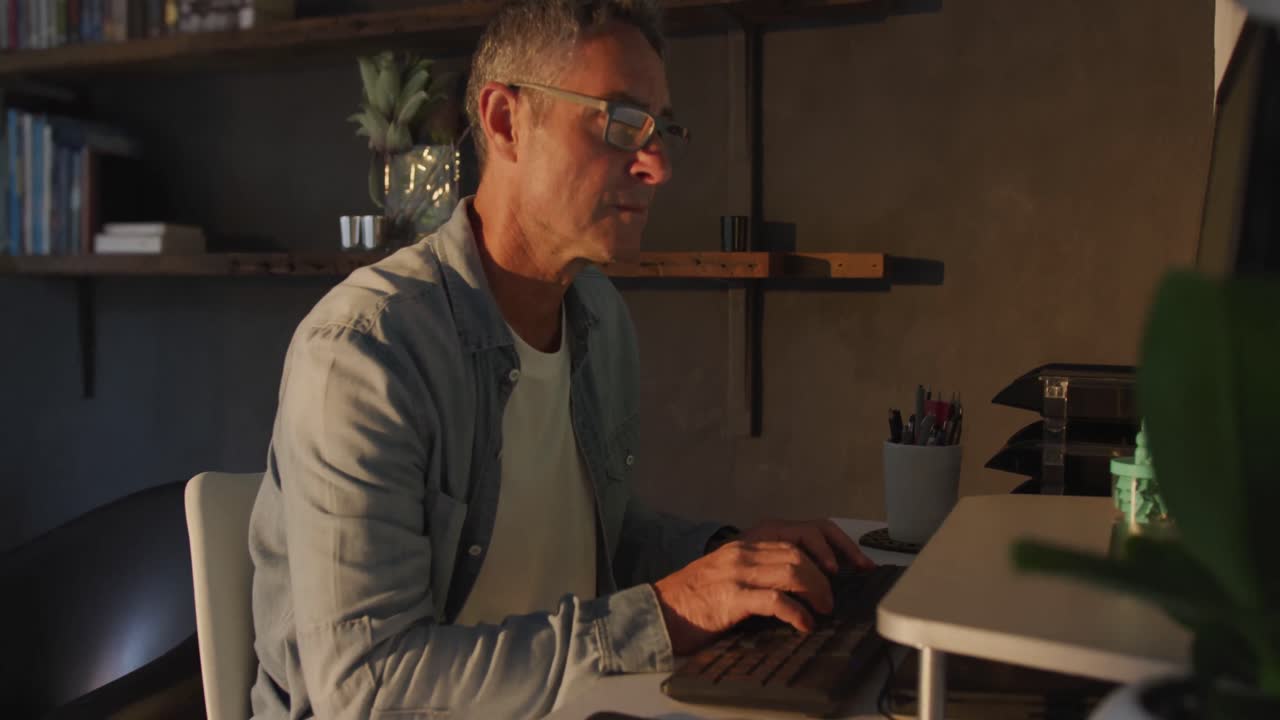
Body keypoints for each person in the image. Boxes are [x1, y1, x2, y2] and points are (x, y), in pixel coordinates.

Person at [247, 1, 873, 718]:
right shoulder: (367, 351)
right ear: (507, 121)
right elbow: (368, 688)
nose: (658, 164)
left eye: (662, 127)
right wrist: (667, 614)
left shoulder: (599, 318)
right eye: (619, 122)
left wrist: (730, 559)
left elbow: (594, 537)